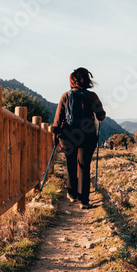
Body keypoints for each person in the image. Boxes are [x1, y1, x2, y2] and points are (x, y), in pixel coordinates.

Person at [52, 67, 106, 209]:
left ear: (72, 81)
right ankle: (84, 201)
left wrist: (55, 136)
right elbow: (101, 116)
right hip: (87, 135)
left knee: (71, 163)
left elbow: (58, 119)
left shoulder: (66, 96)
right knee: (84, 165)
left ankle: (72, 193)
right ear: (87, 80)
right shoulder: (92, 96)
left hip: (68, 135)